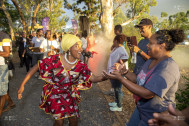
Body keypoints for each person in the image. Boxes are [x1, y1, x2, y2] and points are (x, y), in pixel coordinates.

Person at [17, 34, 107, 126]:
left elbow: (94, 78)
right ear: (68, 48)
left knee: (74, 120)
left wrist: (107, 76)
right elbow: (36, 67)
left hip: (70, 94)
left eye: (80, 46)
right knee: (59, 122)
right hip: (54, 94)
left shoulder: (81, 65)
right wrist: (22, 85)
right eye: (77, 46)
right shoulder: (55, 60)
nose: (80, 49)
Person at [103, 29, 185, 126]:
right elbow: (138, 79)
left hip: (156, 116)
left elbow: (147, 93)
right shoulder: (151, 60)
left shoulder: (168, 67)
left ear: (162, 46)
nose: (147, 45)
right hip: (142, 109)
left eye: (151, 43)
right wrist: (124, 72)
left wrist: (120, 79)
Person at [107, 34, 129, 111]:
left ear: (116, 41)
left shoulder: (121, 49)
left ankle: (119, 106)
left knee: (118, 89)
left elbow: (126, 57)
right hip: (112, 71)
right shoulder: (116, 48)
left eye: (113, 41)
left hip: (117, 72)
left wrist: (119, 64)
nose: (113, 43)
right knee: (115, 88)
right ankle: (116, 102)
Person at [0, 31, 15, 116]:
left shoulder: (4, 36)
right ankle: (10, 102)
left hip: (2, 66)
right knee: (3, 88)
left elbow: (6, 53)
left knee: (2, 91)